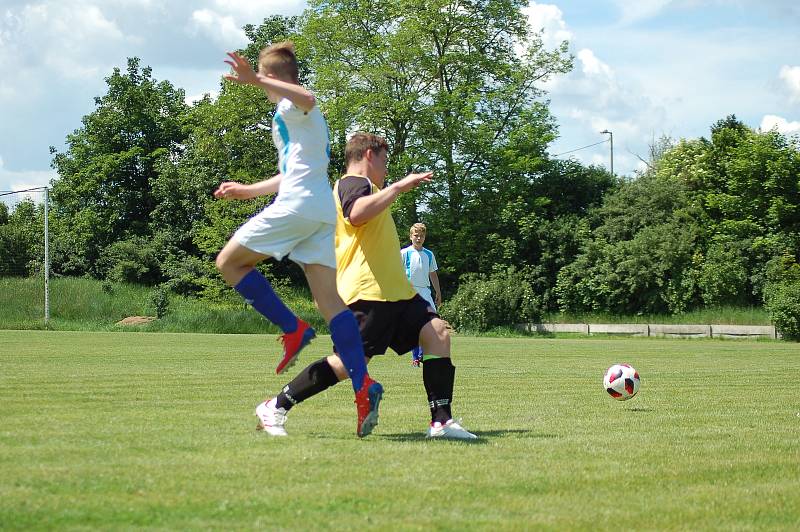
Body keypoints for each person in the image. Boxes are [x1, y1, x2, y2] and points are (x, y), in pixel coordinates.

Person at [256, 132, 477, 439]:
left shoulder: (370, 188)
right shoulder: (353, 183)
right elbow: (356, 214)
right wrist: (400, 186)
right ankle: (275, 406)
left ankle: (441, 421)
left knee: (437, 333)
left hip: (397, 293)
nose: (387, 171)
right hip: (368, 292)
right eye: (385, 162)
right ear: (369, 156)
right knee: (347, 364)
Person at [213, 43, 382, 438]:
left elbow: (308, 95)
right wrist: (249, 191)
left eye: (260, 74)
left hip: (300, 207)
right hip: (320, 212)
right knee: (332, 305)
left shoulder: (294, 105)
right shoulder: (288, 116)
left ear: (273, 75)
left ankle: (293, 329)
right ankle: (363, 386)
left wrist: (256, 79)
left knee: (230, 263)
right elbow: (293, 171)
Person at [400, 223, 441, 366]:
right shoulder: (404, 253)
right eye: (416, 235)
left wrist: (438, 292)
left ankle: (423, 354)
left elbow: (433, 274)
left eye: (421, 236)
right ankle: (416, 358)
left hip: (425, 290)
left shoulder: (429, 254)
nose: (418, 238)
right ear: (411, 236)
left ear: (424, 237)